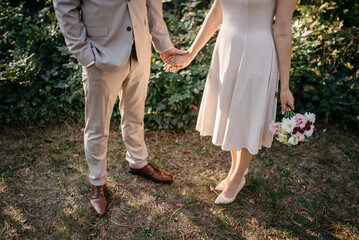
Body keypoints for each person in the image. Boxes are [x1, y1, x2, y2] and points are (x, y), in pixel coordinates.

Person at [53, 0, 187, 215]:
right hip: (100, 55)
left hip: (140, 51)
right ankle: (97, 182)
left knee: (135, 115)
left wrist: (164, 46)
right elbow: (65, 7)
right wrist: (84, 54)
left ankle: (138, 162)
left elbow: (152, 5)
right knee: (97, 125)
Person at [165, 0, 297, 204]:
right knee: (231, 114)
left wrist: (285, 86)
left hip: (258, 53)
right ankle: (236, 170)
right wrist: (191, 53)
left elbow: (282, 30)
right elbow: (217, 12)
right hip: (227, 48)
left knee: (247, 113)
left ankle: (236, 178)